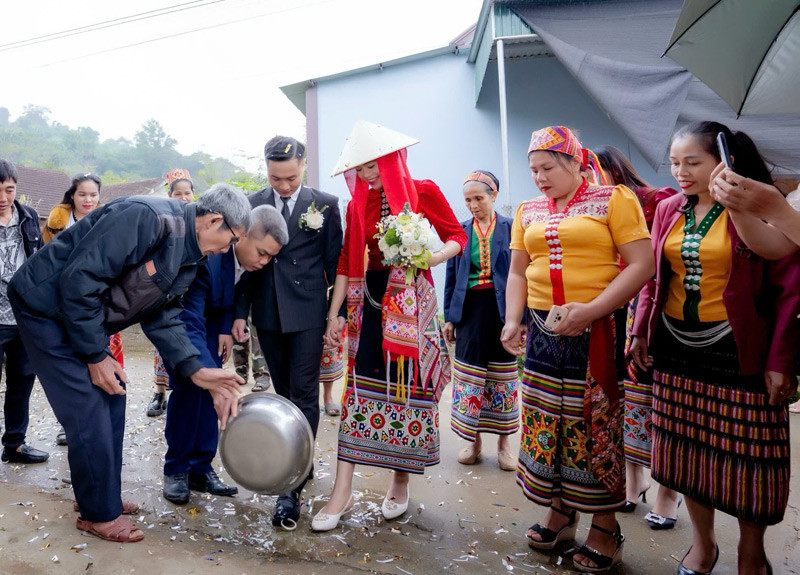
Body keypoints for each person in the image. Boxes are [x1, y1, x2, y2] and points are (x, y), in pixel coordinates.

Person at [9, 185, 250, 543]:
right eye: (232, 239)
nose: (227, 249)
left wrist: (196, 369)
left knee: (113, 392)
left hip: (81, 315)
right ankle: (98, 514)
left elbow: (164, 314)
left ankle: (100, 494)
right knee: (87, 404)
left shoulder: (191, 253)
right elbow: (80, 280)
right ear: (214, 221)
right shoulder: (146, 218)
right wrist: (95, 355)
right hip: (43, 307)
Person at [631, 121, 800, 575]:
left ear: (725, 161)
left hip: (740, 350)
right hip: (675, 349)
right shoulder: (669, 208)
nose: (680, 172)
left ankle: (751, 552)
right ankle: (702, 545)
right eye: (674, 163)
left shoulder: (761, 205)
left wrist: (781, 360)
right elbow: (653, 277)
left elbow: (790, 290)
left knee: (752, 460)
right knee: (685, 454)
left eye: (693, 162)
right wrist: (640, 330)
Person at [500, 126, 654, 573]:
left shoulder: (614, 200)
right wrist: (512, 319)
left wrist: (592, 310)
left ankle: (605, 526)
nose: (539, 178)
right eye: (533, 170)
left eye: (548, 168)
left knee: (593, 422)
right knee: (547, 419)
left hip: (597, 328)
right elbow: (518, 271)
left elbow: (642, 264)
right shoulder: (528, 210)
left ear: (575, 162)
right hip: (543, 330)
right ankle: (561, 512)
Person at [311, 120, 467, 533]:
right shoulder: (355, 205)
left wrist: (431, 258)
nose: (366, 174)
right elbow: (346, 262)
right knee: (358, 390)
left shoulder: (424, 191)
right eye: (360, 168)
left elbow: (456, 236)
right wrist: (334, 314)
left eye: (373, 165)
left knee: (408, 388)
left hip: (412, 304)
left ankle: (400, 480)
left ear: (391, 159)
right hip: (370, 301)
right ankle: (341, 491)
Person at [232, 136, 342, 529]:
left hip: (308, 314)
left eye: (291, 178)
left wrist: (338, 315)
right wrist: (239, 313)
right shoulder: (250, 203)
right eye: (275, 178)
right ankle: (294, 451)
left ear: (303, 166)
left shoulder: (325, 204)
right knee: (283, 393)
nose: (283, 186)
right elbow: (244, 265)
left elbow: (336, 263)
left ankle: (293, 479)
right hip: (267, 313)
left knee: (304, 393)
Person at [163, 203, 288, 505]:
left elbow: (225, 299)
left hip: (210, 326)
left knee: (212, 399)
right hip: (181, 325)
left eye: (271, 257)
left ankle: (201, 468)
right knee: (189, 391)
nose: (264, 262)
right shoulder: (210, 256)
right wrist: (205, 371)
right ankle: (176, 469)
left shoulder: (248, 262)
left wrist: (223, 329)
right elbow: (191, 314)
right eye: (262, 253)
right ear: (242, 235)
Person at [594, 145, 682, 529]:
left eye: (594, 170)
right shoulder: (591, 208)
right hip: (612, 309)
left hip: (653, 311)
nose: (589, 180)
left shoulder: (657, 200)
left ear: (613, 169)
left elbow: (661, 266)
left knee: (659, 399)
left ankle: (669, 490)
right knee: (625, 398)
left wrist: (641, 321)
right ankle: (634, 478)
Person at [443, 170, 518, 471]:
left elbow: (521, 274)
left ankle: (504, 445)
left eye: (478, 198)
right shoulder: (460, 232)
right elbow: (451, 277)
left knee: (503, 377)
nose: (473, 205)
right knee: (470, 377)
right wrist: (450, 318)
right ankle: (472, 443)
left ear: (493, 195)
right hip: (470, 311)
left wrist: (520, 317)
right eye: (467, 200)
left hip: (502, 310)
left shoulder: (512, 228)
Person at [42, 173, 123, 447]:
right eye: (82, 194)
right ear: (72, 195)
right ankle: (68, 424)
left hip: (100, 303)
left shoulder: (109, 220)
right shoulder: (56, 223)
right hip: (61, 303)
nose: (88, 200)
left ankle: (101, 420)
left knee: (102, 359)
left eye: (93, 194)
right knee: (69, 367)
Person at [0, 159, 49, 465]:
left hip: (22, 317)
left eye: (9, 190)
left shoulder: (28, 216)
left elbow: (40, 262)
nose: (3, 198)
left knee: (21, 383)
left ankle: (15, 445)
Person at [148, 169, 196, 418]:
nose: (183, 198)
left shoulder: (199, 219)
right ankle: (159, 393)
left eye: (187, 193)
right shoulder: (162, 219)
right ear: (169, 195)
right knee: (162, 343)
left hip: (191, 291)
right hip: (165, 289)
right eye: (178, 194)